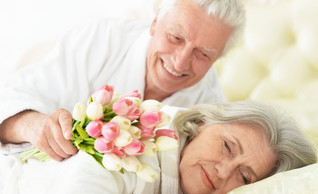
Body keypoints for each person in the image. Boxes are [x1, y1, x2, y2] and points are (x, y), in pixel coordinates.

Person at [0, 100, 317, 194]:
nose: (223, 171)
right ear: (201, 123)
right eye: (227, 146)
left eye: (244, 176)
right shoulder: (131, 140)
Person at [0, 0, 245, 161]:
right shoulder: (100, 39)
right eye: (175, 37)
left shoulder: (211, 106)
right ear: (155, 23)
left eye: (202, 54)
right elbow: (9, 96)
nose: (180, 63)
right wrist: (31, 125)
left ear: (218, 58)